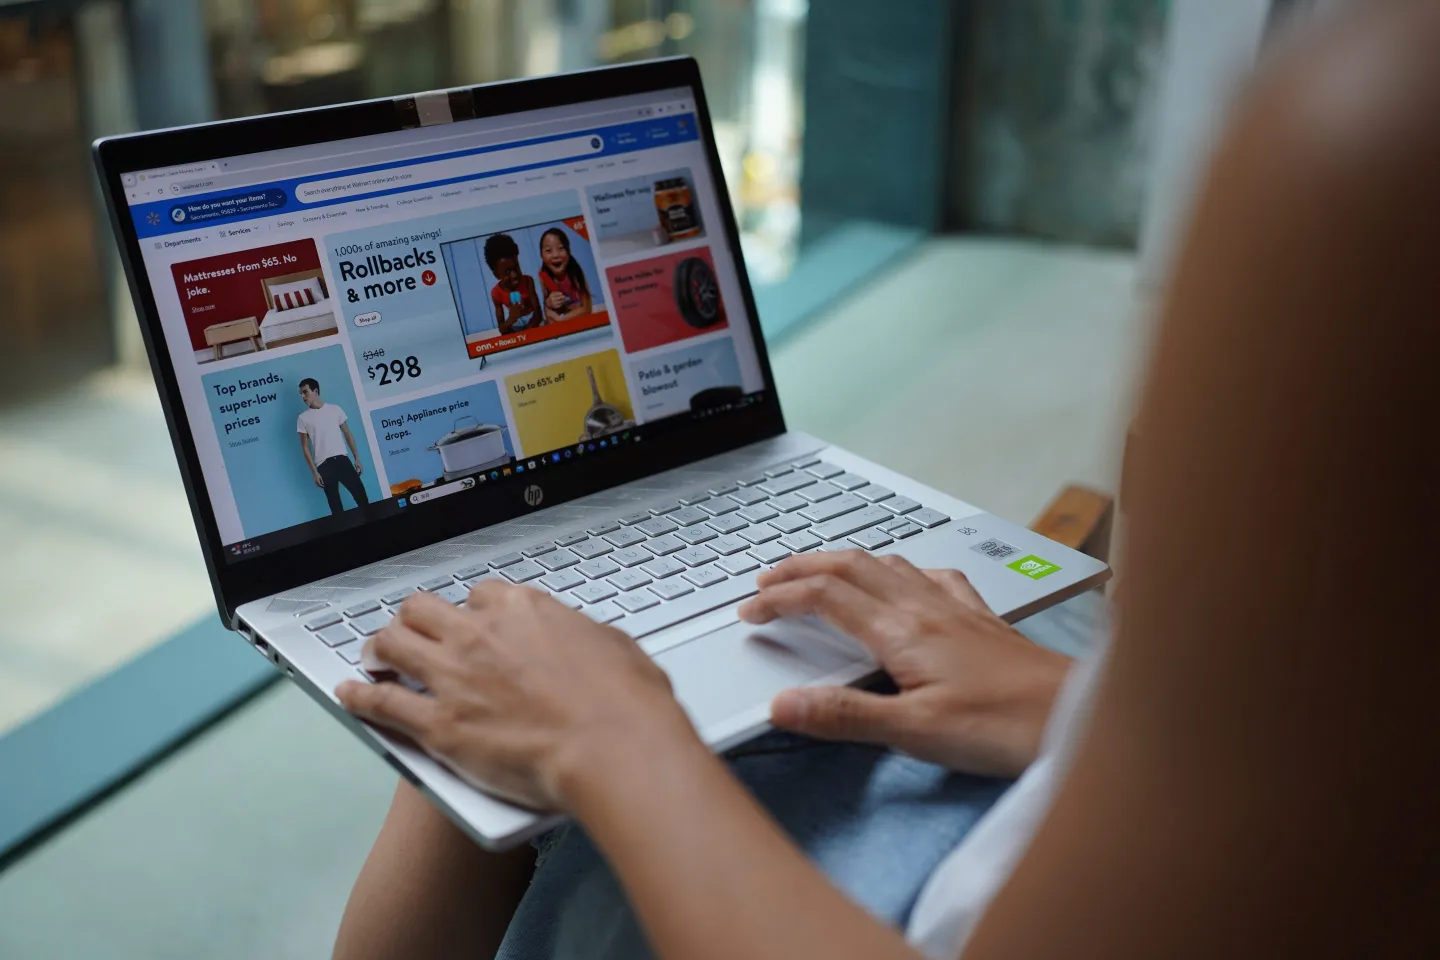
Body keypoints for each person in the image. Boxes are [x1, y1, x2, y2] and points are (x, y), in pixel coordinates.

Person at [333, 3, 1440, 958]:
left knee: (478, 682)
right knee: (520, 656)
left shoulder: (1376, 133)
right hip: (1068, 759)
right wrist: (1073, 713)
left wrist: (608, 741)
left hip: (902, 877)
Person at [297, 377, 368, 516]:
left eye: (305, 392)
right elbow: (305, 448)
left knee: (362, 499)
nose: (303, 396)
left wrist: (357, 458)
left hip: (342, 460)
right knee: (336, 509)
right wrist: (314, 472)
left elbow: (347, 434)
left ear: (315, 391)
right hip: (324, 466)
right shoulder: (303, 418)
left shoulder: (335, 409)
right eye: (301, 394)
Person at [484, 233, 543, 334]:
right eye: (507, 272)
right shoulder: (496, 293)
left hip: (533, 322)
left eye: (516, 267)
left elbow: (538, 313)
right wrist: (511, 319)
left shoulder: (528, 281)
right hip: (515, 323)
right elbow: (502, 329)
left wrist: (528, 332)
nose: (515, 275)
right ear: (496, 275)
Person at [537, 227, 594, 324]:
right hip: (559, 314)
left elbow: (587, 308)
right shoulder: (543, 274)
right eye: (548, 250)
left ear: (568, 251)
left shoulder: (575, 271)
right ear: (541, 256)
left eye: (561, 248)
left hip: (575, 314)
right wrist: (549, 303)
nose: (555, 255)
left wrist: (562, 319)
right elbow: (547, 310)